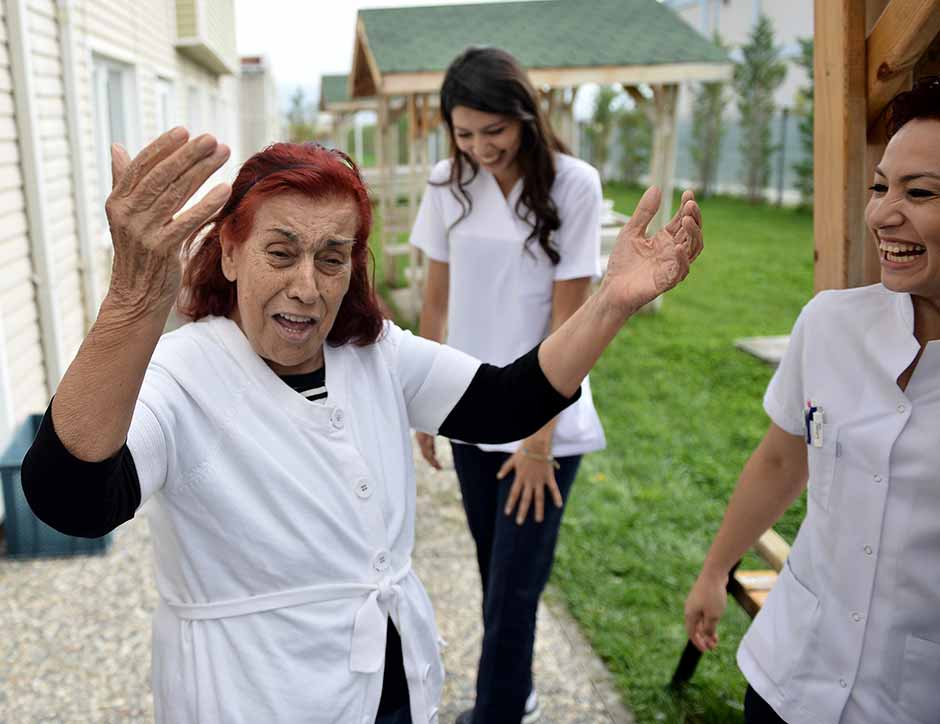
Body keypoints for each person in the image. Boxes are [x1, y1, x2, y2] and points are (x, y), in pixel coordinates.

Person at [21, 131, 702, 723]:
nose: (307, 287)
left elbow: (507, 404)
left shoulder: (373, 354)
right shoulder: (180, 375)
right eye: (280, 253)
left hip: (388, 686)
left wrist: (610, 303)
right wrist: (134, 301)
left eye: (332, 257)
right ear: (229, 252)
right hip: (252, 696)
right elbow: (72, 500)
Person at [409, 47, 674, 724]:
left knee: (514, 590)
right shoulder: (447, 182)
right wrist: (422, 400)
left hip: (544, 424)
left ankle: (497, 710)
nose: (479, 147)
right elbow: (434, 301)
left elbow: (571, 316)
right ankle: (517, 693)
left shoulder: (574, 186)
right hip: (468, 408)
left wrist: (537, 440)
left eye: (492, 131)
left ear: (524, 116)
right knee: (492, 570)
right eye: (464, 133)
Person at [683, 76, 940, 724]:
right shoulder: (830, 323)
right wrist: (715, 571)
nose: (883, 213)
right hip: (788, 674)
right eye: (881, 186)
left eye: (921, 193)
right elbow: (780, 462)